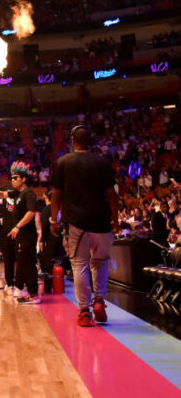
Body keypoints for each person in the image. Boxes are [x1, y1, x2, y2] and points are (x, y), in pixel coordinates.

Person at [50, 125, 119, 327]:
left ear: (72, 140)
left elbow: (56, 196)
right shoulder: (102, 162)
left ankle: (84, 311)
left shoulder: (62, 162)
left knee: (80, 263)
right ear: (90, 141)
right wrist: (115, 219)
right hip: (101, 222)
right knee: (100, 262)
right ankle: (99, 301)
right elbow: (112, 195)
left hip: (76, 223)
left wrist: (54, 219)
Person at [0, 161, 41, 304]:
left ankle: (34, 294)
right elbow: (3, 194)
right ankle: (27, 291)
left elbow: (31, 212)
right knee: (22, 263)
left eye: (16, 177)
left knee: (28, 263)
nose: (12, 180)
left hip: (27, 234)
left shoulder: (28, 194)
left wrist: (17, 226)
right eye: (12, 177)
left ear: (23, 179)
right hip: (20, 235)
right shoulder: (16, 193)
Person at [39, 190, 63, 293]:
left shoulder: (47, 209)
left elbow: (44, 226)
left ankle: (48, 286)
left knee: (47, 262)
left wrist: (42, 240)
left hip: (50, 239)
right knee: (58, 261)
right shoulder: (60, 209)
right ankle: (58, 284)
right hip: (60, 238)